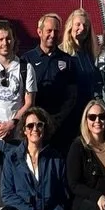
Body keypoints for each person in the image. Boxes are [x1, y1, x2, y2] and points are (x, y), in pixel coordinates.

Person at [25, 12, 79, 156]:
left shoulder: (67, 61)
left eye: (56, 31)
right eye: (49, 30)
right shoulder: (27, 60)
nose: (53, 35)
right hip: (34, 128)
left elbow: (72, 97)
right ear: (39, 32)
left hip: (59, 128)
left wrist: (56, 120)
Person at [62, 7, 102, 102]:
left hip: (89, 105)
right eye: (78, 24)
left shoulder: (91, 54)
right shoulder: (61, 52)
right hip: (70, 106)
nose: (82, 28)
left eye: (85, 25)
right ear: (70, 27)